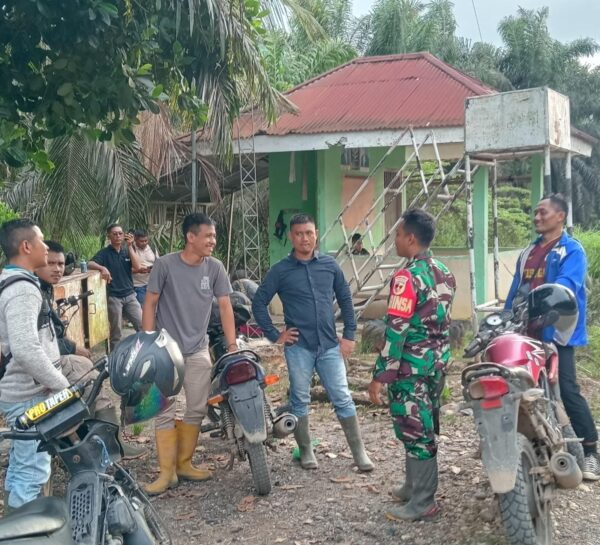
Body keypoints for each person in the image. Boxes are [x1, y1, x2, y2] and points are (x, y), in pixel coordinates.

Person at [252, 213, 374, 472]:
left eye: (309, 233)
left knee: (342, 397)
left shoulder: (329, 266)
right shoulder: (281, 271)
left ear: (316, 234)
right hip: (299, 348)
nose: (304, 238)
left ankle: (359, 452)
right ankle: (306, 450)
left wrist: (349, 336)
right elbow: (258, 302)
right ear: (291, 237)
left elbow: (346, 299)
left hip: (329, 346)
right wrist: (275, 335)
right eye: (299, 234)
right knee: (299, 399)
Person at [368, 209, 456, 522]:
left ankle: (423, 501)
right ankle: (412, 486)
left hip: (411, 369)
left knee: (415, 430)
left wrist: (379, 376)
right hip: (436, 365)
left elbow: (396, 332)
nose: (395, 239)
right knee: (421, 425)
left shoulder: (406, 278)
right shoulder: (444, 271)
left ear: (411, 238)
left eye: (398, 234)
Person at [505, 193, 599, 480]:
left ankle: (591, 452)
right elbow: (515, 289)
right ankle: (532, 444)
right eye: (535, 212)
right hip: (525, 331)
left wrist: (541, 304)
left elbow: (566, 286)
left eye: (543, 212)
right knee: (522, 386)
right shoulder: (528, 252)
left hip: (558, 332)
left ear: (560, 216)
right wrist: (507, 317)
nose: (537, 217)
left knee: (567, 389)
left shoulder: (571, 251)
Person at [141, 213, 237, 495]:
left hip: (197, 349)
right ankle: (166, 473)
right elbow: (150, 303)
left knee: (197, 407)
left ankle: (184, 464)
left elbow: (225, 306)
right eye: (208, 236)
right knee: (164, 409)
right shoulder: (165, 265)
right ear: (190, 237)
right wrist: (148, 342)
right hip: (165, 350)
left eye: (214, 236)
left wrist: (232, 345)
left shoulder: (215, 268)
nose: (213, 241)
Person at [34, 240, 146, 459]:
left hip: (52, 359)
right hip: (41, 366)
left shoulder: (44, 289)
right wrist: (74, 347)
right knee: (90, 379)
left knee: (93, 373)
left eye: (61, 264)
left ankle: (109, 442)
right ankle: (101, 445)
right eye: (51, 263)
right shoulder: (32, 293)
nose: (57, 269)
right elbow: (40, 342)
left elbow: (54, 332)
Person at [0, 219, 70, 511]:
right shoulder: (23, 290)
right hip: (28, 396)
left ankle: (14, 519)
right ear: (26, 246)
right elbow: (25, 349)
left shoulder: (11, 280)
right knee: (32, 471)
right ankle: (25, 528)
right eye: (41, 241)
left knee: (22, 465)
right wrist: (61, 385)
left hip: (21, 391)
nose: (46, 247)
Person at [88, 224, 143, 348]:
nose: (118, 236)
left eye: (120, 233)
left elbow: (138, 266)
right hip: (114, 297)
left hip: (130, 295)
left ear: (124, 235)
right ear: (109, 236)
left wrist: (130, 246)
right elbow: (89, 263)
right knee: (116, 332)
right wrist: (102, 268)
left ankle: (142, 353)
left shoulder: (127, 251)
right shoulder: (104, 253)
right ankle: (114, 357)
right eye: (115, 234)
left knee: (142, 326)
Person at [131, 229, 158, 306]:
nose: (144, 243)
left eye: (146, 241)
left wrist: (153, 269)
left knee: (153, 308)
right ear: (135, 239)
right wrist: (138, 270)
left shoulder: (152, 248)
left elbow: (158, 263)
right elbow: (124, 269)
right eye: (141, 241)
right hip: (138, 286)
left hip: (151, 285)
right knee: (142, 309)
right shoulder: (130, 249)